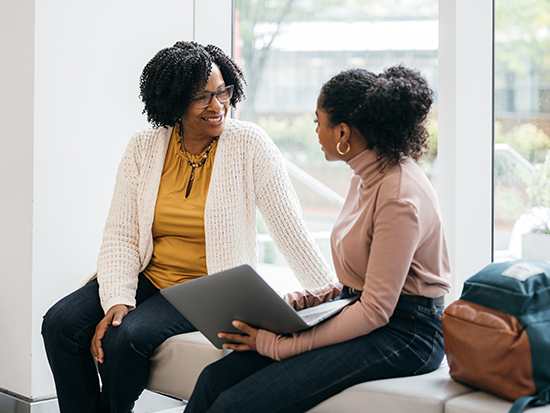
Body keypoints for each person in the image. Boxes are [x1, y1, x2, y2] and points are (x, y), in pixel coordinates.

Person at [41, 41, 334, 413]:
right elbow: (122, 234)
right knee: (59, 323)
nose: (218, 106)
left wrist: (334, 296)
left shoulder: (249, 144)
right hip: (150, 275)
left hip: (207, 286)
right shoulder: (143, 148)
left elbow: (290, 230)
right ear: (174, 101)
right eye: (202, 97)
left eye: (222, 92)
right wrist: (118, 299)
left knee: (124, 338)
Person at [184, 65, 452, 413]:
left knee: (237, 405)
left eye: (319, 122)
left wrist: (278, 346)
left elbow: (375, 311)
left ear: (342, 132)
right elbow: (357, 284)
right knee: (213, 381)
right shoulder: (364, 176)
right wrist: (295, 305)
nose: (316, 131)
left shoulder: (398, 195)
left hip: (409, 333)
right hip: (362, 308)